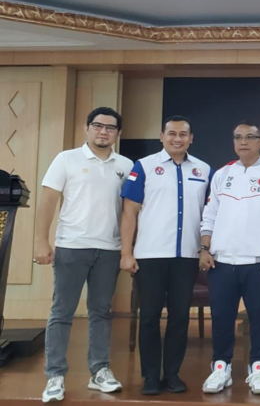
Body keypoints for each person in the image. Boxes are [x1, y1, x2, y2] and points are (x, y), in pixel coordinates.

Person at [34, 107, 133, 403]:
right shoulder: (66, 159)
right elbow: (48, 201)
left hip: (110, 249)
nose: (103, 132)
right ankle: (54, 375)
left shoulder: (126, 165)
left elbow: (130, 211)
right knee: (62, 312)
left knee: (101, 312)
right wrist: (41, 241)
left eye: (110, 128)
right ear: (87, 128)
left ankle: (99, 370)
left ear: (117, 133)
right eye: (98, 126)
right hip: (71, 246)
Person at [120, 115, 212, 396]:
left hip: (187, 256)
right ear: (162, 136)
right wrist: (126, 252)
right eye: (171, 133)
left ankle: (172, 373)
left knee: (179, 317)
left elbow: (210, 214)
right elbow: (129, 212)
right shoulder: (144, 166)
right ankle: (150, 376)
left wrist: (205, 249)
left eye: (183, 134)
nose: (177, 138)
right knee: (149, 316)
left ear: (191, 138)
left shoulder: (204, 170)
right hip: (150, 255)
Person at [199, 121, 260, 395]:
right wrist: (204, 249)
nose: (243, 142)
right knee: (221, 318)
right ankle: (221, 368)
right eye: (238, 137)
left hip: (259, 261)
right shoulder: (222, 174)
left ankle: (259, 368)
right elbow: (209, 215)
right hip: (222, 261)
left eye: (250, 137)